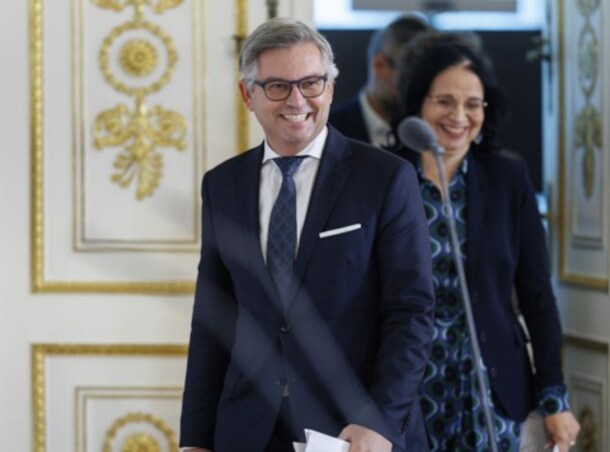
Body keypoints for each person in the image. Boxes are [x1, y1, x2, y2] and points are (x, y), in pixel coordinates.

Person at [179, 18, 435, 452]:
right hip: (250, 430)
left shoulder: (387, 178)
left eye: (311, 83)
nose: (297, 99)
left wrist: (380, 422)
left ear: (331, 88)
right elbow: (212, 320)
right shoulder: (221, 186)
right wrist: (195, 440)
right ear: (248, 95)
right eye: (277, 86)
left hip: (354, 431)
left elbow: (410, 313)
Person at [390, 34, 581, 451]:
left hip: (491, 385)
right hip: (406, 388)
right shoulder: (385, 177)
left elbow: (537, 295)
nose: (459, 115)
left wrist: (555, 397)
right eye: (444, 101)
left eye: (473, 104)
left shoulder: (508, 178)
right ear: (418, 104)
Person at [328, 14, 431, 148]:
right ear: (380, 65)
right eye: (410, 77)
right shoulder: (330, 129)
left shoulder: (425, 132)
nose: (419, 89)